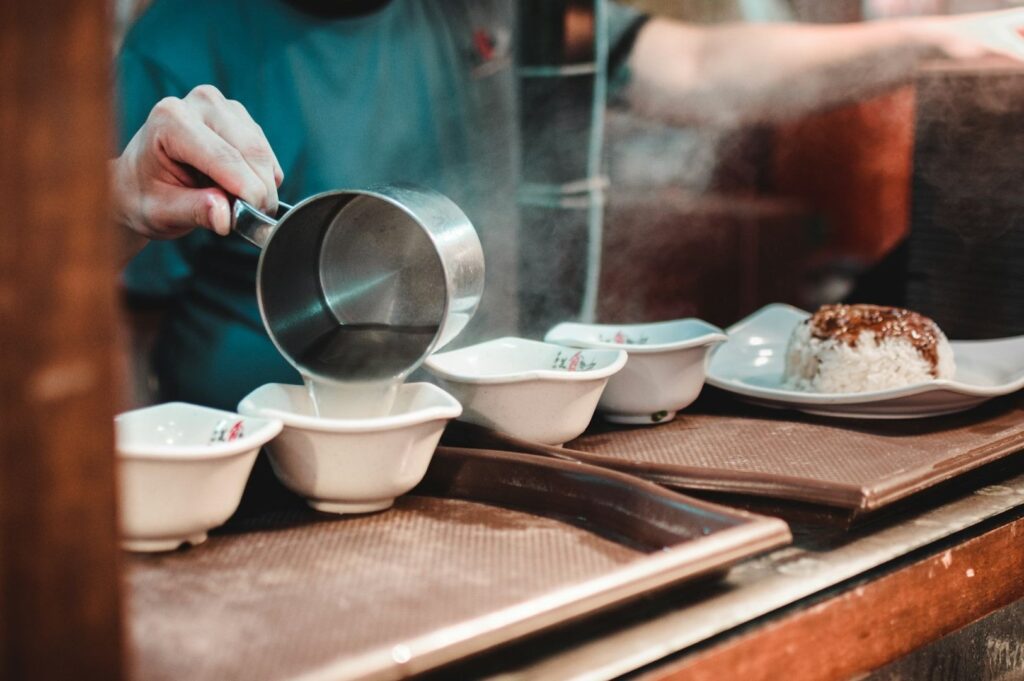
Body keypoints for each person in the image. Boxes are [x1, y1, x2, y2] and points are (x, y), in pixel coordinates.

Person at [112, 0, 1010, 411]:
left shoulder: (509, 8)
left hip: (481, 449)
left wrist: (928, 41)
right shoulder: (179, 42)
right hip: (263, 470)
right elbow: (112, 319)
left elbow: (693, 69)